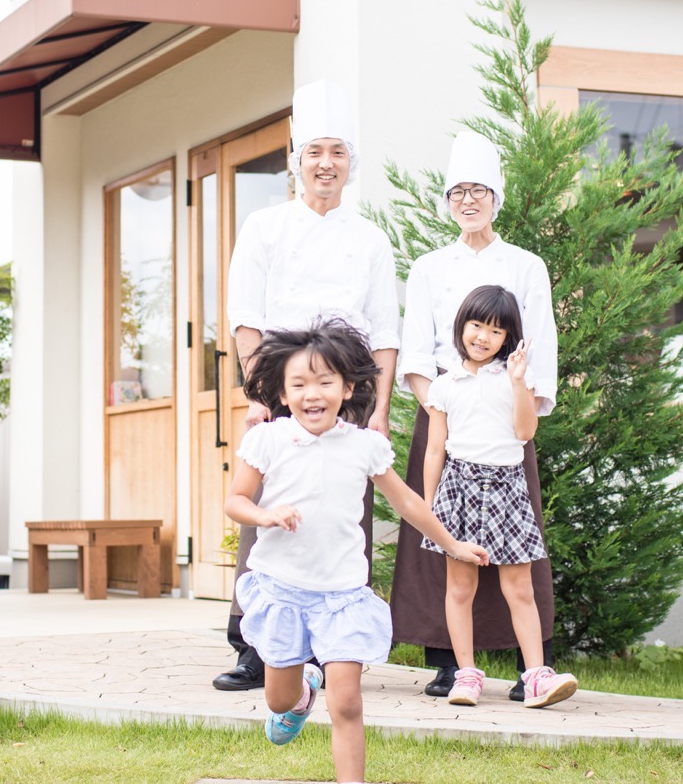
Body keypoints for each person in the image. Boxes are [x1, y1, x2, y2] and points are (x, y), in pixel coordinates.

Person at [226, 321, 489, 783]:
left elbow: (407, 501)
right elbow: (236, 501)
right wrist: (265, 516)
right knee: (278, 701)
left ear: (347, 388)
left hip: (342, 595)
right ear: (283, 395)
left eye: (326, 381)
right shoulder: (267, 440)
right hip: (282, 589)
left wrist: (453, 545)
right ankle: (302, 691)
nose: (314, 393)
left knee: (347, 701)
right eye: (300, 384)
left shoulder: (365, 446)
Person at [214, 80, 400, 692]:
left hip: (350, 388)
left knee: (345, 509)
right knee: (266, 506)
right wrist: (260, 399)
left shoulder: (371, 239)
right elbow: (246, 318)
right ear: (296, 161)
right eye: (315, 152)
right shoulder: (265, 227)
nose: (326, 164)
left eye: (338, 153)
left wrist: (379, 412)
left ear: (351, 165)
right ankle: (254, 644)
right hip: (281, 385)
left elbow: (385, 333)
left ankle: (335, 643)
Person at [392, 129, 561, 699]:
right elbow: (416, 348)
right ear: (447, 201)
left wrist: (515, 402)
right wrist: (445, 402)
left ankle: (529, 669)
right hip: (446, 410)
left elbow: (541, 345)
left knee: (519, 552)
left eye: (479, 191)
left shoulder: (526, 264)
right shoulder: (427, 266)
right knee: (443, 550)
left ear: (497, 198)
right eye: (458, 191)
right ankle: (448, 663)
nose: (468, 201)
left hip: (507, 419)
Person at [421, 284, 577, 708]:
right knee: (459, 588)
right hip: (458, 486)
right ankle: (466, 675)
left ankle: (536, 679)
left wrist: (520, 382)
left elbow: (526, 433)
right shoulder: (445, 384)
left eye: (495, 331)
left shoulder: (515, 379)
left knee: (520, 588)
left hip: (508, 485)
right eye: (477, 325)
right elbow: (436, 448)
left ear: (508, 338)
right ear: (462, 326)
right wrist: (429, 506)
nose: (483, 337)